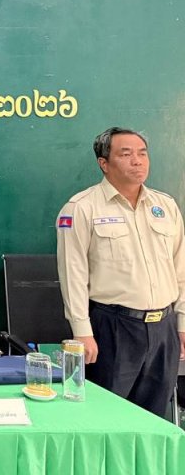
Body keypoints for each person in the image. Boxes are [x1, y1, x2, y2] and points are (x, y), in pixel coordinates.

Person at [56, 127, 185, 417]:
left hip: (164, 328)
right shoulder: (81, 208)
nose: (137, 161)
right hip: (113, 327)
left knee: (155, 419)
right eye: (126, 154)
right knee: (107, 416)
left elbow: (181, 267)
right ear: (104, 163)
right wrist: (82, 331)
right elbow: (72, 273)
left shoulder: (165, 206)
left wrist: (182, 322)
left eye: (142, 154)